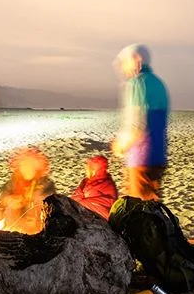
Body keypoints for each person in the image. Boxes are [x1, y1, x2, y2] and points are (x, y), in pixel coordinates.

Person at [112, 44, 169, 201]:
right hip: (158, 155)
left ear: (136, 59)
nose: (122, 68)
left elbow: (137, 124)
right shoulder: (159, 83)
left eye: (124, 62)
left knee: (139, 208)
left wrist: (121, 145)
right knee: (152, 203)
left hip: (140, 158)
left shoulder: (137, 84)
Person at [0, 146, 56, 234]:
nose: (26, 169)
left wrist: (36, 200)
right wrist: (9, 200)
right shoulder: (13, 183)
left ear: (37, 167)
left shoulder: (46, 185)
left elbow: (52, 203)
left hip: (38, 225)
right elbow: (2, 200)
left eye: (30, 166)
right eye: (23, 166)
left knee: (37, 203)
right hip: (14, 224)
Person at [71, 155, 118, 220]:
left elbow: (75, 201)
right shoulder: (108, 181)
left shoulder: (94, 183)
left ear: (93, 169)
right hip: (103, 218)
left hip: (97, 218)